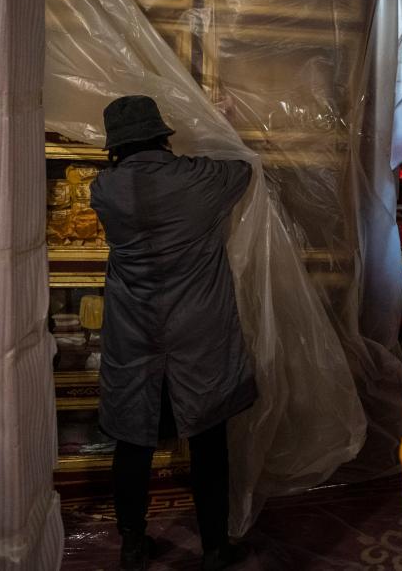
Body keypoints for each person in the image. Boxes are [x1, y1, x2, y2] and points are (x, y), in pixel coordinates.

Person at [90, 95, 257, 571]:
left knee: (133, 441)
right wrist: (218, 123)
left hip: (135, 332)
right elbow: (242, 169)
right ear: (163, 135)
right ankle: (214, 548)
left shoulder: (104, 190)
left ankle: (132, 543)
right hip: (198, 332)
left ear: (116, 145)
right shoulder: (201, 180)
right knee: (208, 441)